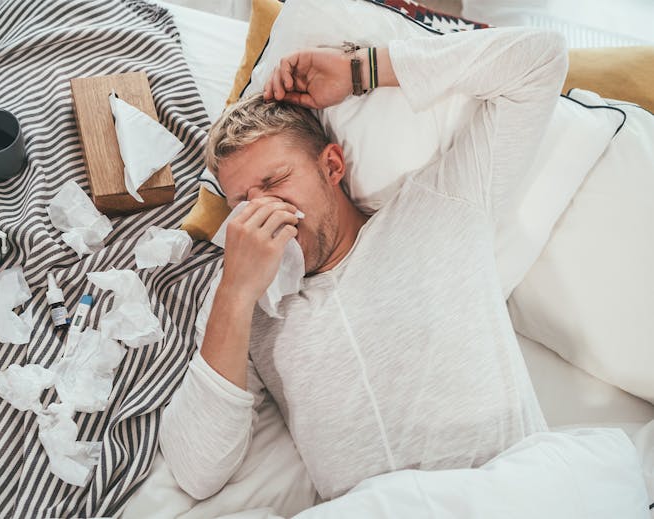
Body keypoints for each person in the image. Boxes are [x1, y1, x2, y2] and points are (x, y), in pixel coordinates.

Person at [159, 26, 569, 501]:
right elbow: (196, 470)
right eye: (241, 203)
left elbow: (540, 59)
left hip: (511, 495)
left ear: (332, 166)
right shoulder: (243, 301)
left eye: (275, 182)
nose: (260, 213)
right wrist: (234, 293)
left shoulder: (442, 206)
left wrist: (365, 69)